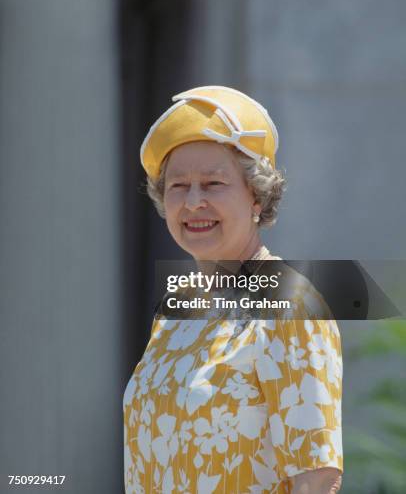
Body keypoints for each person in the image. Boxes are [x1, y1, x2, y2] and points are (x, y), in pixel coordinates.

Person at [123, 85, 343, 494]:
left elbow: (317, 476)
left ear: (256, 196)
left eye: (213, 184)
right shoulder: (177, 306)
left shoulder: (291, 303)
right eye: (178, 186)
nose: (192, 202)